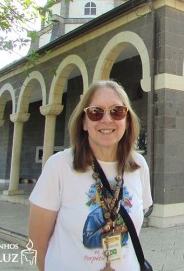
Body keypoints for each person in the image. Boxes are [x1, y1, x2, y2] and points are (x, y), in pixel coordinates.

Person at [28, 80, 153, 271]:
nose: (107, 119)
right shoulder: (59, 166)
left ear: (127, 121)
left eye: (117, 111)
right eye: (96, 112)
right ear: (84, 122)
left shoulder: (138, 166)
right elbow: (37, 242)